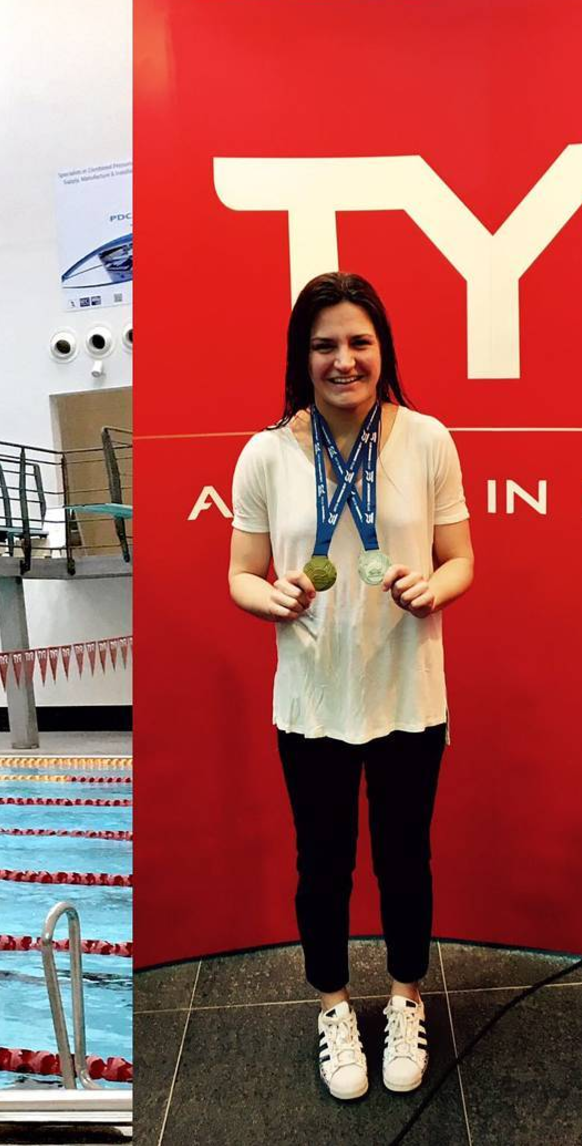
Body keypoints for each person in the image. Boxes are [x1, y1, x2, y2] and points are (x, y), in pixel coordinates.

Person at [228, 272, 474, 1101]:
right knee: (322, 865)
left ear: (383, 349)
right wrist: (273, 595)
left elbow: (461, 557)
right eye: (326, 344)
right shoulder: (265, 453)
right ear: (303, 356)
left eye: (359, 343)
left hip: (408, 692)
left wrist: (436, 588)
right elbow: (239, 575)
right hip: (311, 702)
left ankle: (406, 998)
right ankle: (334, 1008)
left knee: (407, 860)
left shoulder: (429, 439)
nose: (344, 360)